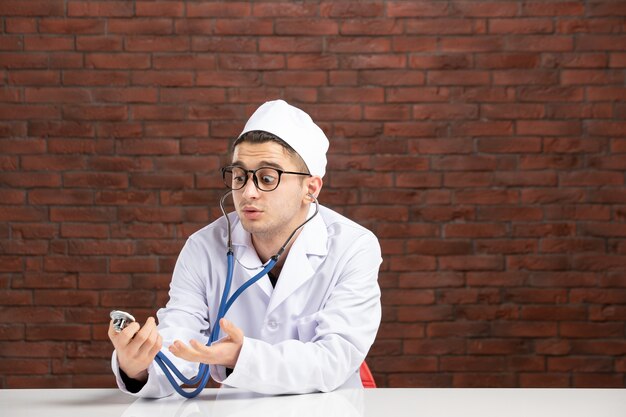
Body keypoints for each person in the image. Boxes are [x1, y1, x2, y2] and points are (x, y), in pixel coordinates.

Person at [108, 99, 382, 397]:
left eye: (267, 178)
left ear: (310, 189)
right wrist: (138, 365)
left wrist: (244, 356)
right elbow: (180, 342)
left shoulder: (354, 247)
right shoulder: (203, 247)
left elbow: (335, 358)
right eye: (239, 177)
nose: (248, 192)